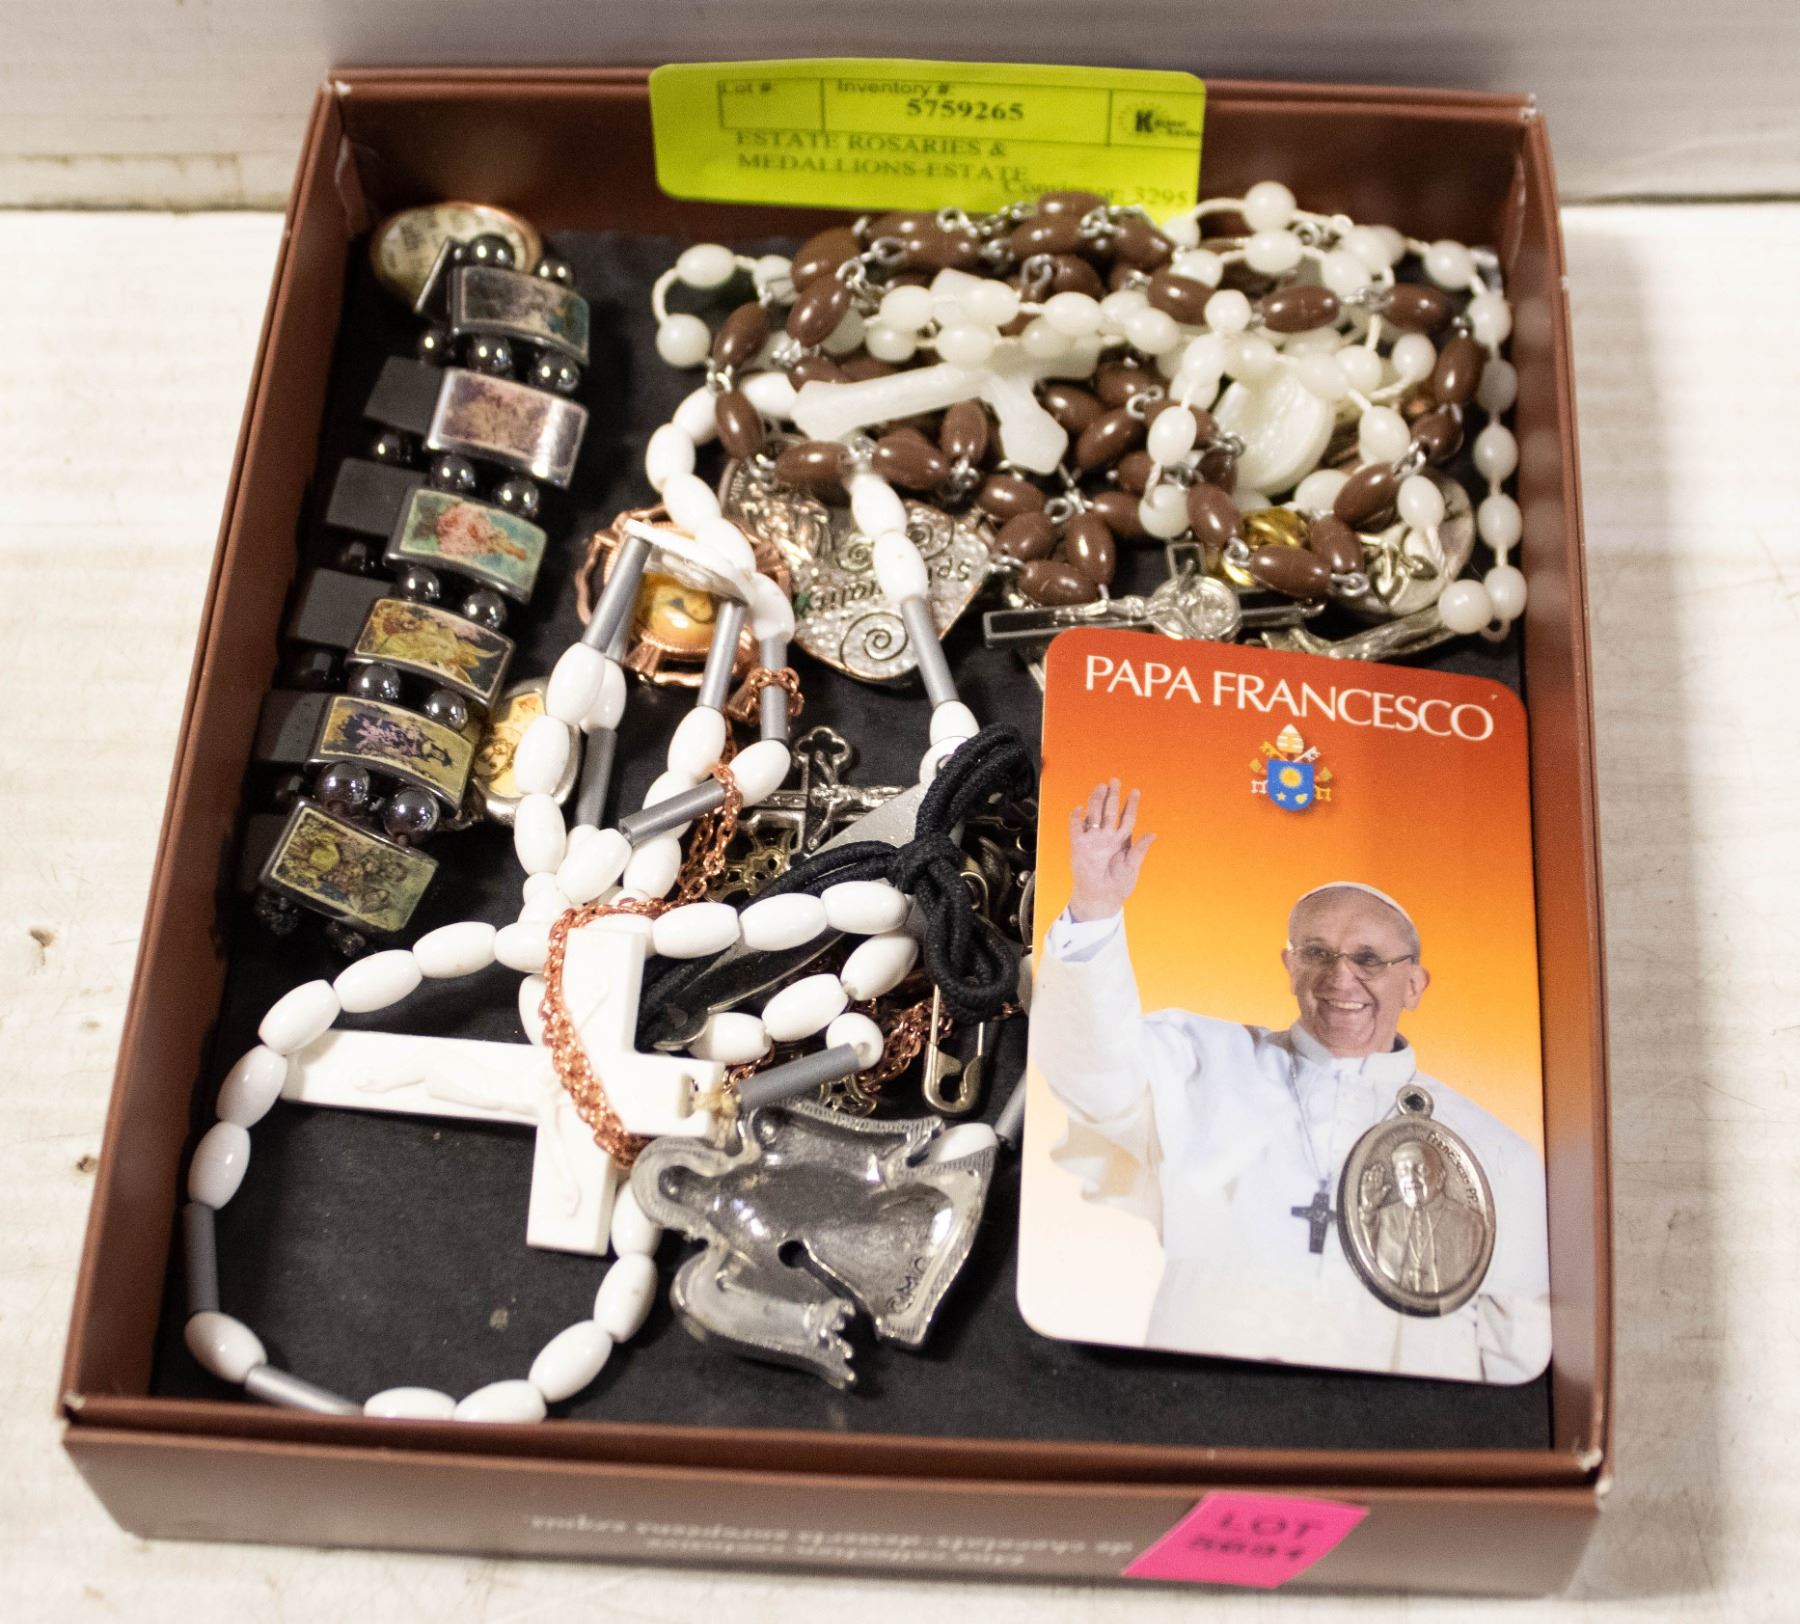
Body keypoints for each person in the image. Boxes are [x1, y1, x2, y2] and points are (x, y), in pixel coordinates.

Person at [1031, 779, 1551, 1383]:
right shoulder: (1202, 1059)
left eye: (1368, 959)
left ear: (1414, 985)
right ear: (1289, 965)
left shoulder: (1489, 1152)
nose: (1340, 978)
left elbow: (1518, 1342)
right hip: (1195, 1394)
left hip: (1383, 1419)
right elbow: (1091, 1068)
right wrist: (1095, 908)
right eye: (1317, 952)